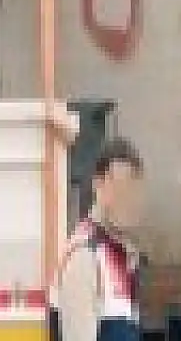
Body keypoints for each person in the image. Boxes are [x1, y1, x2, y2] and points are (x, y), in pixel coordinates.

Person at [50, 138, 146, 341]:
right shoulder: (84, 255)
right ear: (97, 184)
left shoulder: (125, 258)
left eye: (130, 187)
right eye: (117, 185)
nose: (124, 197)